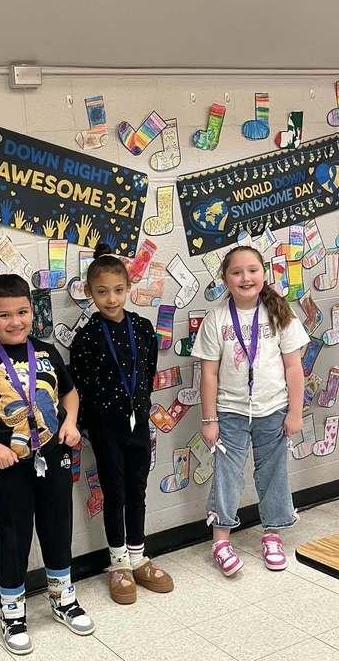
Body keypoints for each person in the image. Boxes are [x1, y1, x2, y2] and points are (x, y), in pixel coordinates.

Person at [0, 274, 94, 654]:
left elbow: (69, 392)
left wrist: (69, 422)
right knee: (14, 537)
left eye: (22, 312)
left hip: (54, 459)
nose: (14, 321)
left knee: (57, 527)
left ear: (33, 312)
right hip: (9, 468)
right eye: (4, 315)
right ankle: (12, 612)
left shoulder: (47, 352)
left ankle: (62, 597)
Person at [192, 246, 307, 576]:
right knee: (227, 475)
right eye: (237, 272)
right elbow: (209, 374)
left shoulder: (280, 312)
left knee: (272, 472)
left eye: (253, 270)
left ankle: (272, 534)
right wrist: (209, 419)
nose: (246, 277)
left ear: (264, 273)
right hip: (230, 412)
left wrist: (295, 413)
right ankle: (221, 540)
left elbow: (294, 367)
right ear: (225, 278)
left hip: (273, 409)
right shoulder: (217, 319)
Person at [69, 243, 173, 604]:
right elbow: (77, 386)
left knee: (137, 490)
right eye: (101, 291)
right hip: (104, 429)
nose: (111, 299)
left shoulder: (143, 329)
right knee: (114, 493)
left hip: (138, 424)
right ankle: (118, 563)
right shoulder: (85, 338)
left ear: (128, 289)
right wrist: (86, 426)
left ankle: (139, 555)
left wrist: (139, 410)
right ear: (89, 293)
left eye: (117, 290)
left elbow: (147, 372)